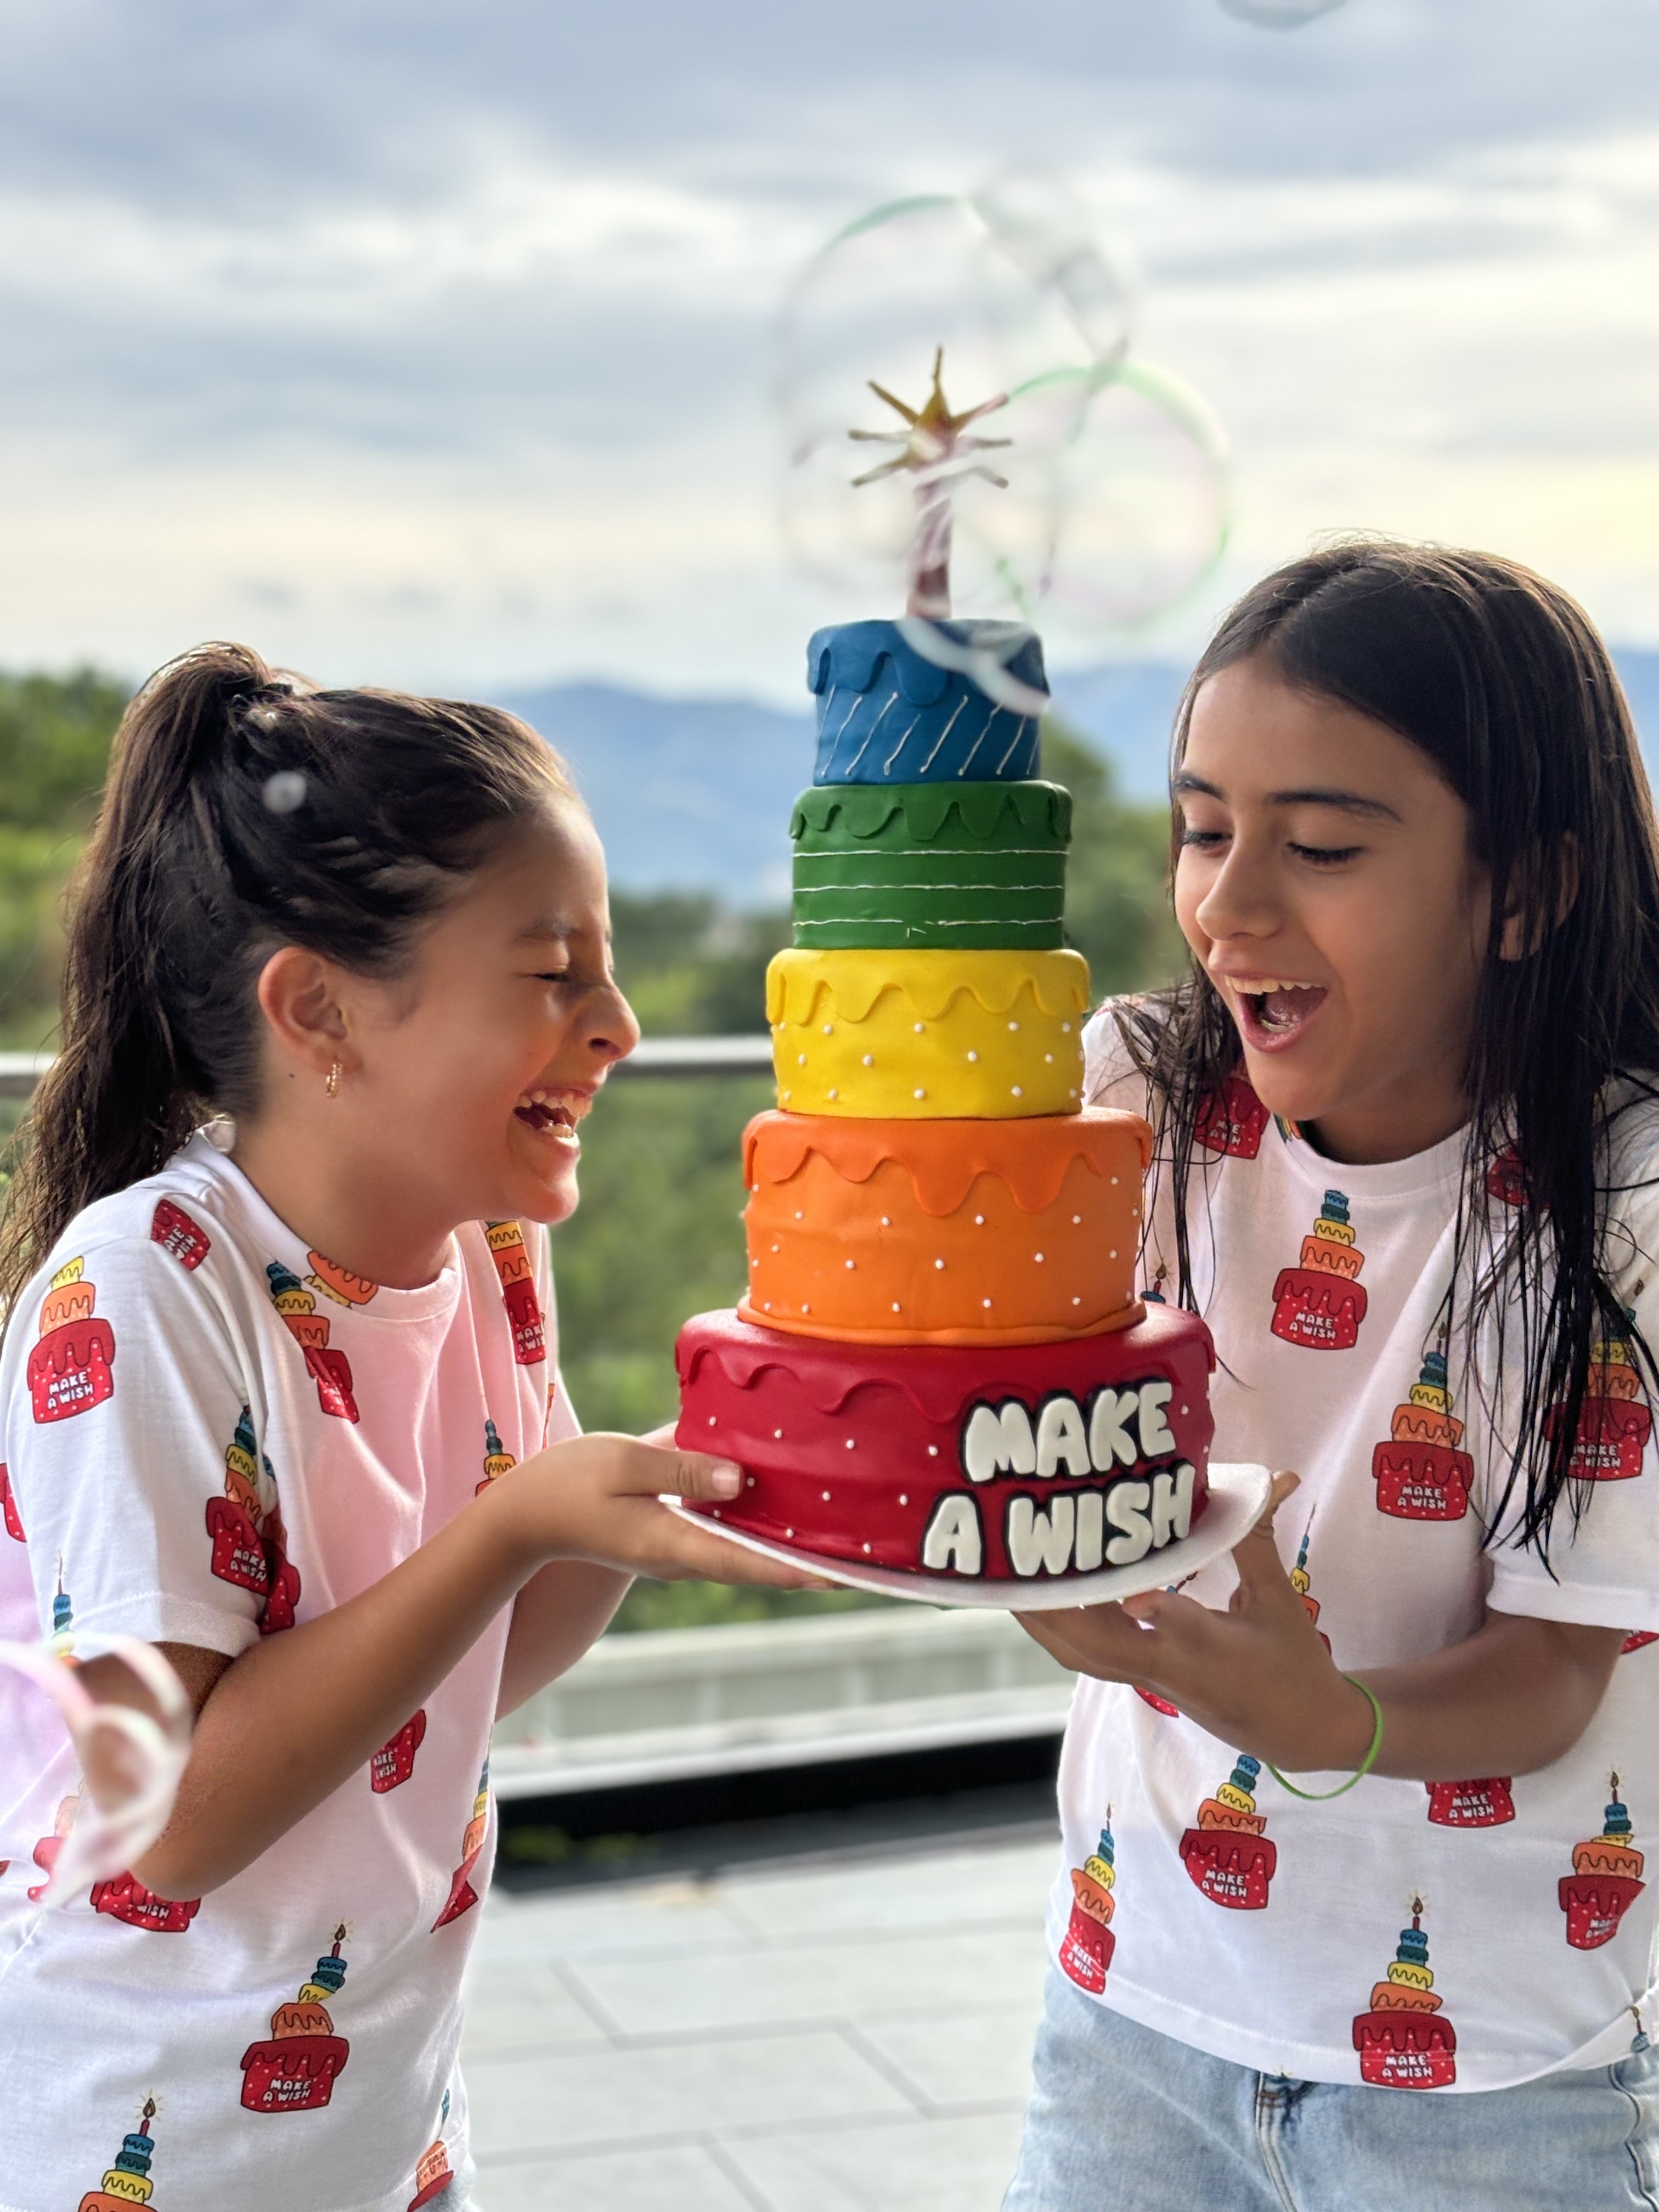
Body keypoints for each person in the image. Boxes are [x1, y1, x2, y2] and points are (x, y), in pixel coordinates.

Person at [0, 645, 798, 2210]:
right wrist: (521, 1523)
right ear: (320, 1011)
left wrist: (683, 1481)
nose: (620, 1026)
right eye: (553, 971)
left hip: (384, 2128)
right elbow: (168, 1824)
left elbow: (479, 1663)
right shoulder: (145, 1288)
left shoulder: (490, 1246)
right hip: (125, 2146)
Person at [1005, 544, 1659, 2210]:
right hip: (1134, 2001)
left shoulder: (1630, 1206)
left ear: (1527, 889)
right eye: (1204, 829)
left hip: (1497, 2075)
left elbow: (1556, 1671)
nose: (1230, 908)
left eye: (1322, 847)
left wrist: (1325, 1720)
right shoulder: (1134, 1101)